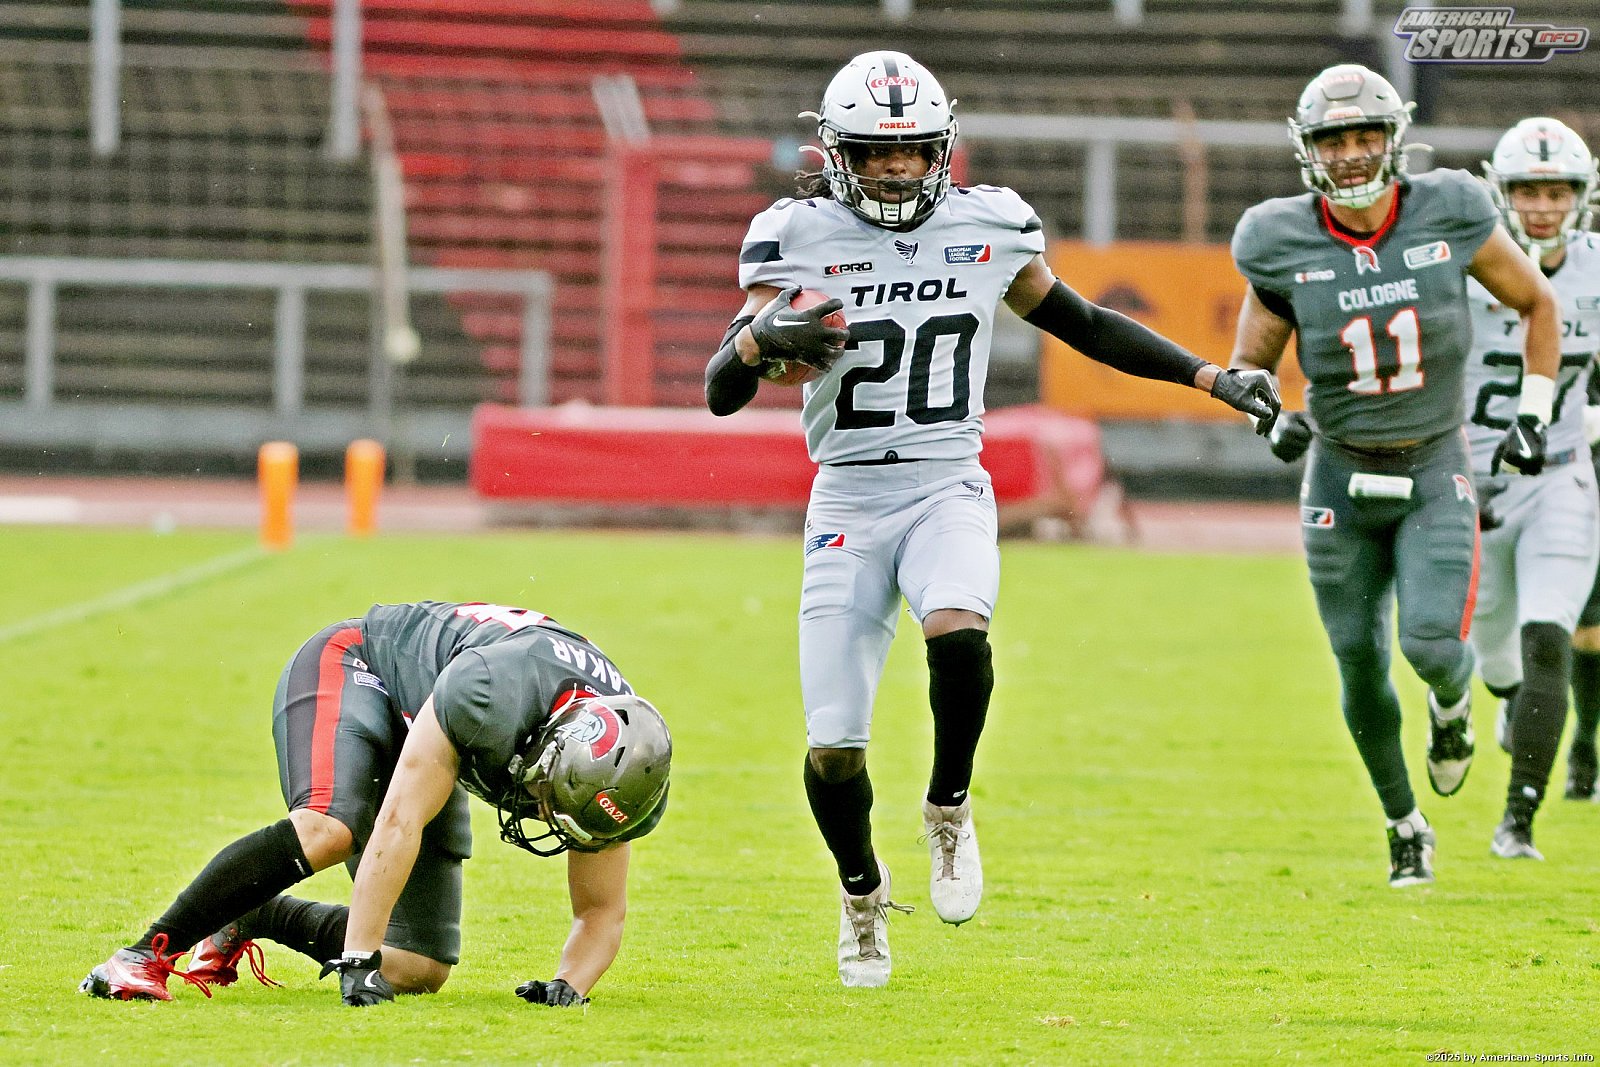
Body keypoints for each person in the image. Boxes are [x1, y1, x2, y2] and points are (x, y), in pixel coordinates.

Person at [704, 50, 1280, 988]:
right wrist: (757, 341)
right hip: (847, 493)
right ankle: (861, 893)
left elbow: (1085, 323)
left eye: (913, 150)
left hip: (947, 482)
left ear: (942, 148)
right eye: (874, 152)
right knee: (834, 745)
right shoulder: (795, 236)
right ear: (836, 153)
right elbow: (719, 391)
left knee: (959, 627)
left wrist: (1211, 376)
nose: (897, 168)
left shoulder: (989, 224)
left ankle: (948, 806)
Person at [1229, 65, 1561, 886]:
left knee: (1431, 645)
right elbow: (1249, 365)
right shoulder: (1279, 237)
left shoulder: (1449, 208)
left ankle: (1453, 705)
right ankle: (1403, 821)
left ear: (1394, 138)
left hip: (1435, 460)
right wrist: (1267, 415)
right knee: (1356, 656)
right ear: (1308, 149)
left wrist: (1534, 411)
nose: (1350, 153)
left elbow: (1538, 303)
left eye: (1364, 135)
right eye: (1333, 139)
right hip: (1338, 472)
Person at [80, 600, 671, 1006]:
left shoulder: (623, 771)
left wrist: (569, 986)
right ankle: (140, 957)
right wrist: (357, 957)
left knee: (416, 965)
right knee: (329, 828)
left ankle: (256, 913)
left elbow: (600, 911)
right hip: (362, 667)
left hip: (438, 723)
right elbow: (400, 818)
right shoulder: (492, 694)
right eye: (545, 797)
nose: (541, 814)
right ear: (549, 745)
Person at [1467, 117, 1600, 859]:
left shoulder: (1596, 270)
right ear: (1502, 192)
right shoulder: (1461, 265)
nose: (1544, 206)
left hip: (1560, 474)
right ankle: (1505, 698)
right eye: (1528, 190)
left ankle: (1518, 820)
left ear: (1581, 196)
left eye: (1558, 192)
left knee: (1549, 634)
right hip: (1473, 483)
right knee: (1497, 659)